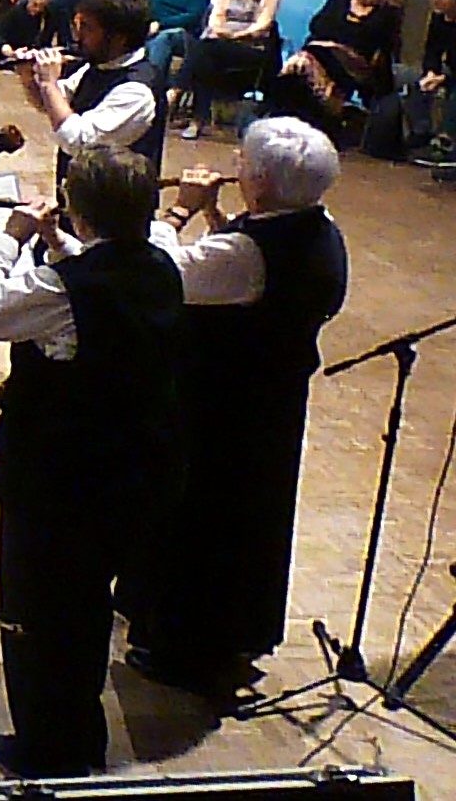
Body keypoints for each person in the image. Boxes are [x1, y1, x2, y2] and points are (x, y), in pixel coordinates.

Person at [0, 145, 184, 779]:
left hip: (61, 485)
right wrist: (59, 244)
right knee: (85, 611)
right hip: (136, 472)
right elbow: (99, 291)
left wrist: (7, 239)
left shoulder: (62, 290)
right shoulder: (161, 261)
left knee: (41, 620)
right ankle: (77, 736)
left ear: (77, 210)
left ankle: (51, 751)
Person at [124, 118, 347, 699]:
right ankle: (239, 632)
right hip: (272, 403)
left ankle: (184, 649)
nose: (236, 167)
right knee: (254, 523)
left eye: (243, 162)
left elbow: (162, 275)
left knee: (202, 525)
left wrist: (179, 211)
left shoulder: (247, 254)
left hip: (219, 408)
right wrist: (219, 219)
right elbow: (246, 274)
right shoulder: (319, 229)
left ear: (263, 182)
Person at [13, 0, 166, 183]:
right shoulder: (98, 65)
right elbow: (51, 104)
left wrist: (49, 84)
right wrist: (28, 76)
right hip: (81, 195)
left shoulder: (137, 91)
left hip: (114, 198)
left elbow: (78, 142)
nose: (78, 36)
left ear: (118, 39)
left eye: (87, 28)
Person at [180, 0, 285, 140]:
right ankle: (197, 118)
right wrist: (220, 30)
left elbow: (264, 23)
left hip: (251, 46)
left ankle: (185, 102)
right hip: (220, 41)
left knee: (204, 49)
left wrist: (237, 35)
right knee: (205, 57)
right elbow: (216, 14)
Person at [277, 0, 404, 123]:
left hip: (352, 64)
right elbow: (317, 25)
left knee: (304, 63)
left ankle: (327, 105)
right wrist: (332, 42)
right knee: (300, 66)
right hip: (319, 53)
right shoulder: (338, 1)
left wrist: (338, 44)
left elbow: (370, 43)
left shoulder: (385, 15)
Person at [408, 0, 456, 166]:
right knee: (416, 85)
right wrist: (430, 73)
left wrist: (443, 78)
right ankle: (421, 134)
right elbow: (432, 51)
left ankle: (445, 144)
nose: (437, 0)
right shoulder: (438, 19)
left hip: (452, 74)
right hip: (447, 71)